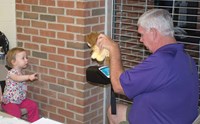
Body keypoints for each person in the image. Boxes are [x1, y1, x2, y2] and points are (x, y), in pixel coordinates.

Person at [96, 9, 199, 124]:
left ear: (154, 33)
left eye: (142, 34)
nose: (140, 40)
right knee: (114, 111)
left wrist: (114, 49)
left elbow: (119, 86)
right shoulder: (185, 57)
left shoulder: (162, 61)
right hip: (172, 116)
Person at [1, 47, 40, 122]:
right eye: (23, 58)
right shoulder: (11, 73)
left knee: (33, 106)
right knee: (16, 113)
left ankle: (34, 121)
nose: (26, 60)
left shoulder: (21, 72)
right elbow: (17, 78)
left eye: (26, 57)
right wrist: (28, 77)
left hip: (20, 100)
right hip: (9, 102)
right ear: (14, 62)